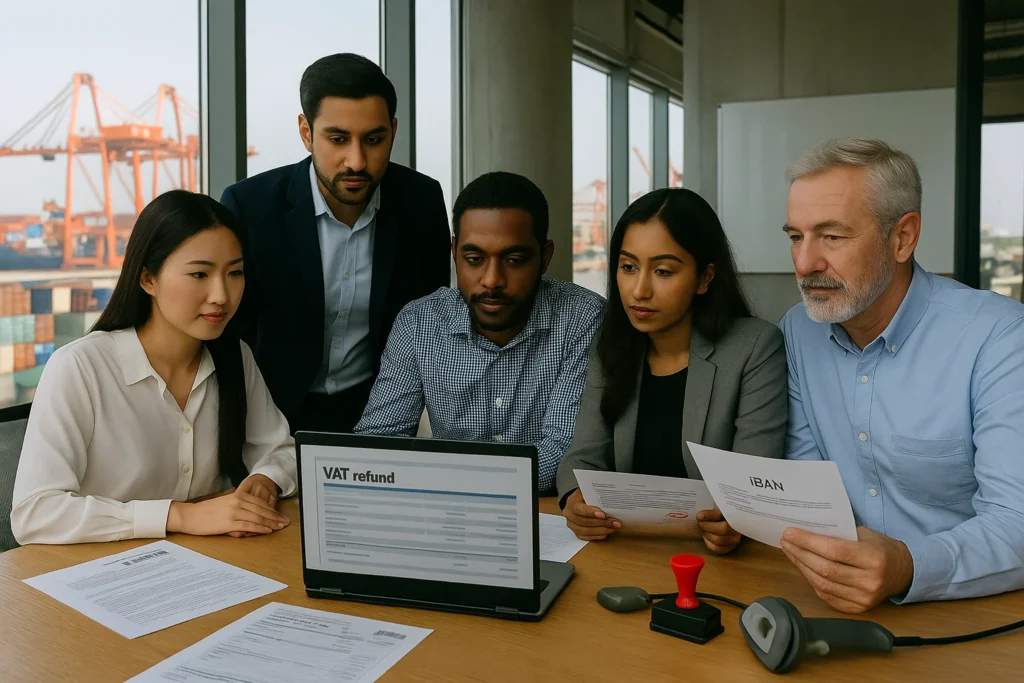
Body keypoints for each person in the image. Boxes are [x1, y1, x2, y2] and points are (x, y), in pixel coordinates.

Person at [781, 137, 1024, 613]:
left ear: (903, 238)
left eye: (831, 236)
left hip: (972, 612)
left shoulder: (999, 337)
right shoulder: (798, 330)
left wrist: (909, 566)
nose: (805, 263)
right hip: (831, 600)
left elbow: (1017, 520)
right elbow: (808, 488)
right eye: (795, 236)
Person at [10, 191, 295, 545]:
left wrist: (265, 481)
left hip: (201, 561)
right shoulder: (80, 368)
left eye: (235, 273)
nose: (222, 294)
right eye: (199, 274)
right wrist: (179, 515)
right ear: (148, 279)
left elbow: (280, 450)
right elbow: (35, 514)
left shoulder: (234, 356)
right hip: (91, 570)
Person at [220, 53, 451, 434]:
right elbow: (231, 333)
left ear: (393, 130)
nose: (357, 161)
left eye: (374, 140)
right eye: (338, 139)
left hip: (379, 417)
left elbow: (428, 325)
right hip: (264, 418)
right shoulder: (250, 206)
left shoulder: (420, 202)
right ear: (306, 133)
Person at [556, 188, 788, 553]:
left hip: (720, 559)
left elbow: (754, 483)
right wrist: (575, 498)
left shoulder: (755, 348)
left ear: (704, 278)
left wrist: (737, 520)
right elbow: (582, 456)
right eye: (628, 267)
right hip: (627, 548)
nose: (639, 290)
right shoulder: (613, 342)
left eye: (663, 271)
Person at [354, 171, 604, 492]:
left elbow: (562, 450)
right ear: (454, 252)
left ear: (545, 257)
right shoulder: (419, 323)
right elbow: (378, 442)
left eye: (513, 260)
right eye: (474, 259)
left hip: (549, 516)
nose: (491, 280)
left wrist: (444, 478)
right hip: (448, 515)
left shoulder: (582, 318)